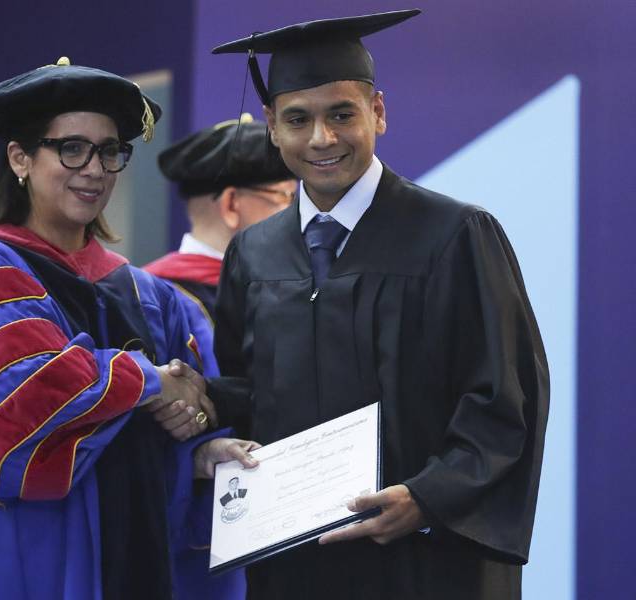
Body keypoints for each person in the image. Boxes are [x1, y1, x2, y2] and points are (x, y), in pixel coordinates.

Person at [0, 57, 258, 600]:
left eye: (110, 151)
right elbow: (19, 404)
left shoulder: (153, 296)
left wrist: (196, 450)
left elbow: (190, 407)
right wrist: (149, 381)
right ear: (20, 157)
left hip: (120, 557)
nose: (95, 169)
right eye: (71, 148)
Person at [211, 10, 549, 600]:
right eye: (298, 119)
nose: (322, 138)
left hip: (428, 563)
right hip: (296, 570)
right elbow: (247, 392)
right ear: (271, 125)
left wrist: (428, 497)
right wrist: (199, 410)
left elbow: (505, 396)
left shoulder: (454, 235)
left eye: (342, 113)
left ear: (379, 112)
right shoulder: (253, 254)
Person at [143, 114, 296, 376]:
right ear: (231, 204)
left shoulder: (287, 285)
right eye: (285, 196)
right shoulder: (156, 299)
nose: (294, 212)